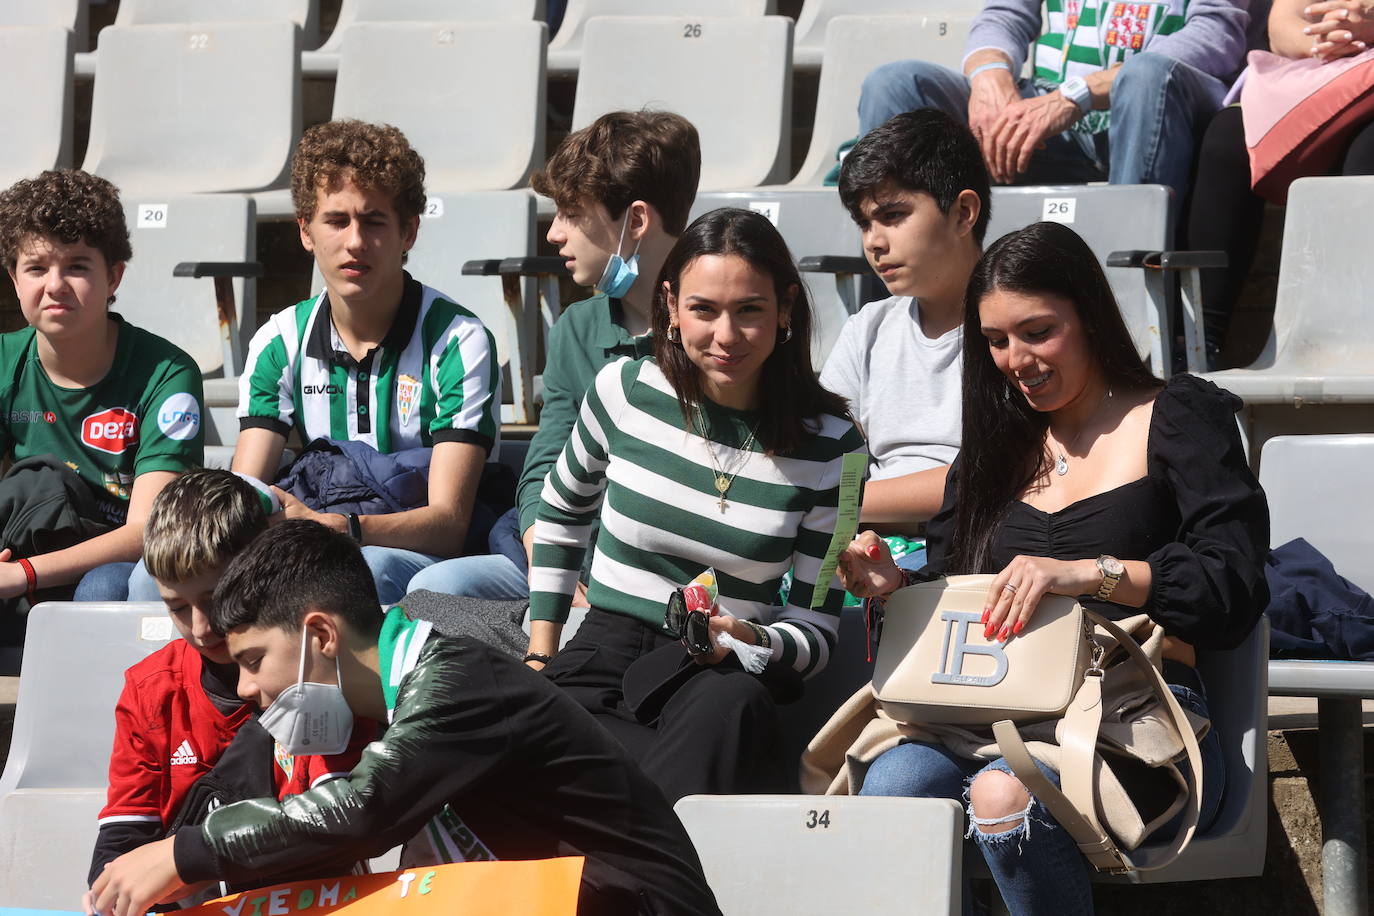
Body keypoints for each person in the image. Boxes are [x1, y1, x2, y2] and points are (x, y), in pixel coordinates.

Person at [836, 221, 1269, 915]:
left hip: (1139, 720)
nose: (1015, 358)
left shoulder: (1179, 415)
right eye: (996, 341)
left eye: (1037, 332)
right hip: (987, 714)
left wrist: (1089, 574)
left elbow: (1234, 586)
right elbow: (961, 591)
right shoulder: (995, 446)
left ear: (1090, 316)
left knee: (1005, 794)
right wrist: (897, 587)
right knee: (891, 789)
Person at [87, 520, 722, 916]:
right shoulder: (374, 701)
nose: (246, 688)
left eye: (253, 659)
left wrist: (185, 855)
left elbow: (360, 811)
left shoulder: (459, 682)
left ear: (319, 635)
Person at [526, 207, 869, 801]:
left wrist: (749, 638)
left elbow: (815, 629)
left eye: (750, 310)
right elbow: (559, 515)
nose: (726, 336)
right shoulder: (622, 389)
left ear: (786, 308)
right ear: (670, 305)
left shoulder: (838, 449)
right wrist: (539, 652)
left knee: (725, 710)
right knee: (525, 733)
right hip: (601, 648)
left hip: (719, 671)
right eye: (703, 309)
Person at [407, 110, 701, 601]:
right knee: (436, 592)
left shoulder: (716, 330)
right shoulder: (575, 328)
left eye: (571, 212)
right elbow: (548, 458)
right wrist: (550, 559)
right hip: (568, 560)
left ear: (637, 220)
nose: (554, 233)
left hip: (667, 582)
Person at [228, 119, 500, 604]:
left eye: (374, 221)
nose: (355, 242)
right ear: (306, 232)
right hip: (314, 546)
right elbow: (245, 496)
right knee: (153, 578)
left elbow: (448, 526)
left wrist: (337, 528)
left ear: (409, 231)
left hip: (412, 556)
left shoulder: (459, 340)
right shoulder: (278, 340)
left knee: (364, 569)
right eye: (336, 221)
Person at [85, 470, 370, 909]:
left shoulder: (312, 669)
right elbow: (121, 843)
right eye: (177, 607)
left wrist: (191, 862)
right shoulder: (149, 690)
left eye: (217, 597)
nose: (201, 627)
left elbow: (335, 827)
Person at [0, 169, 203, 615]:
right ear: (14, 279)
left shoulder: (168, 373)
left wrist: (25, 574)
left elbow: (147, 532)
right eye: (36, 267)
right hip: (28, 540)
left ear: (113, 277)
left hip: (117, 560)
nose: (54, 285)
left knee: (102, 591)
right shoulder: (4, 362)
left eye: (76, 266)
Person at [821, 108, 990, 571]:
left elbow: (991, 479)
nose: (873, 242)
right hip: (867, 546)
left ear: (963, 213)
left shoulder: (1014, 332)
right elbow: (823, 457)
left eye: (892, 215)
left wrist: (845, 504)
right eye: (864, 223)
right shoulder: (868, 329)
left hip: (973, 555)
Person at [856, 0, 1249, 194]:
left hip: (1155, 117)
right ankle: (892, 311)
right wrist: (989, 76)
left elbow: (1218, 34)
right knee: (894, 84)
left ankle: (1123, 311)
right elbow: (1004, 16)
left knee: (1144, 76)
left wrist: (1074, 97)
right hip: (1047, 122)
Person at [1184, 0, 1374, 367]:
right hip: (1330, 73)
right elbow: (1281, 23)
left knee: (1368, 149)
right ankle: (1200, 342)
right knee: (1227, 137)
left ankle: (1356, 330)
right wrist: (1332, 42)